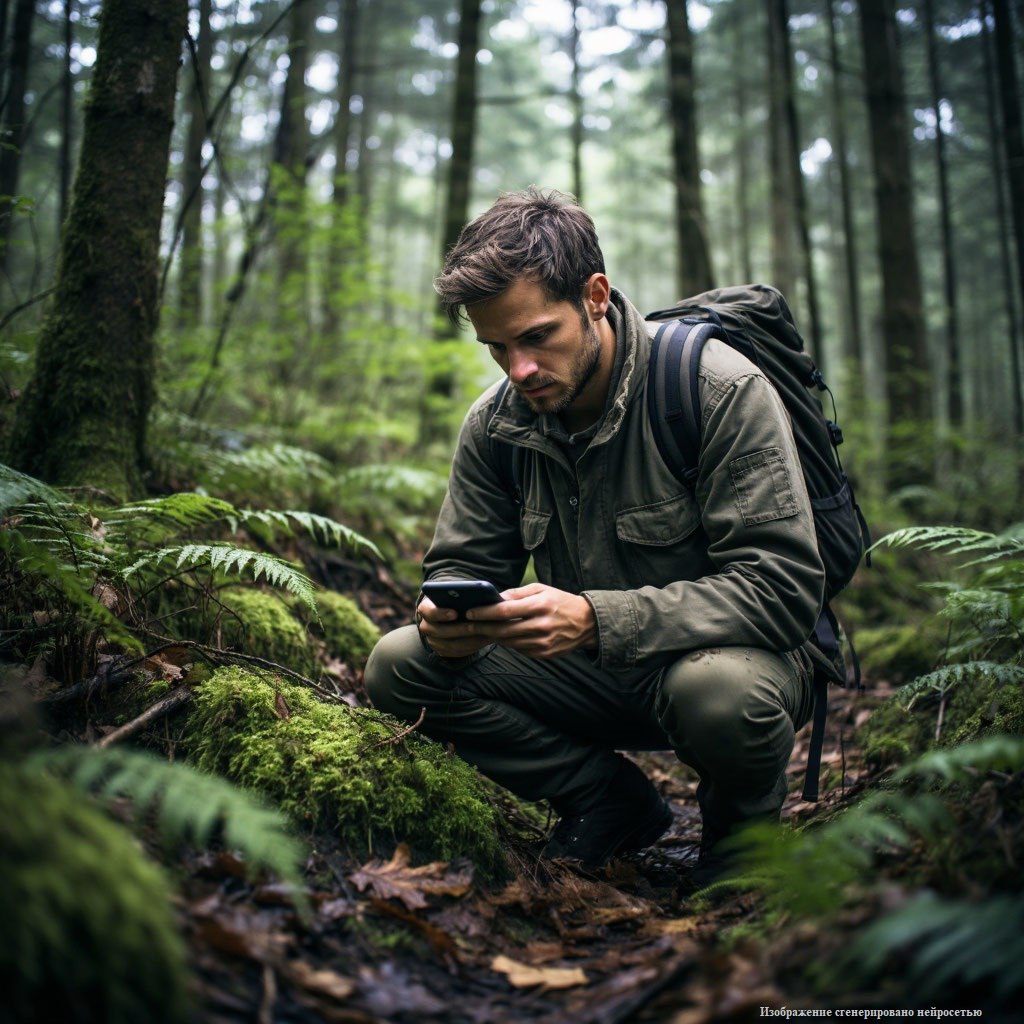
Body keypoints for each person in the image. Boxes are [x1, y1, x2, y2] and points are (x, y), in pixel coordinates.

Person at [364, 186, 824, 878]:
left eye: (537, 336)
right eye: (497, 347)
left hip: (725, 666)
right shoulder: (497, 424)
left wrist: (595, 619)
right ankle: (608, 801)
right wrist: (449, 619)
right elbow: (462, 566)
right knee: (401, 665)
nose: (519, 369)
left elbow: (783, 589)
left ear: (596, 296)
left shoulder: (717, 390)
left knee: (719, 697)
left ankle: (739, 854)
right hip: (588, 675)